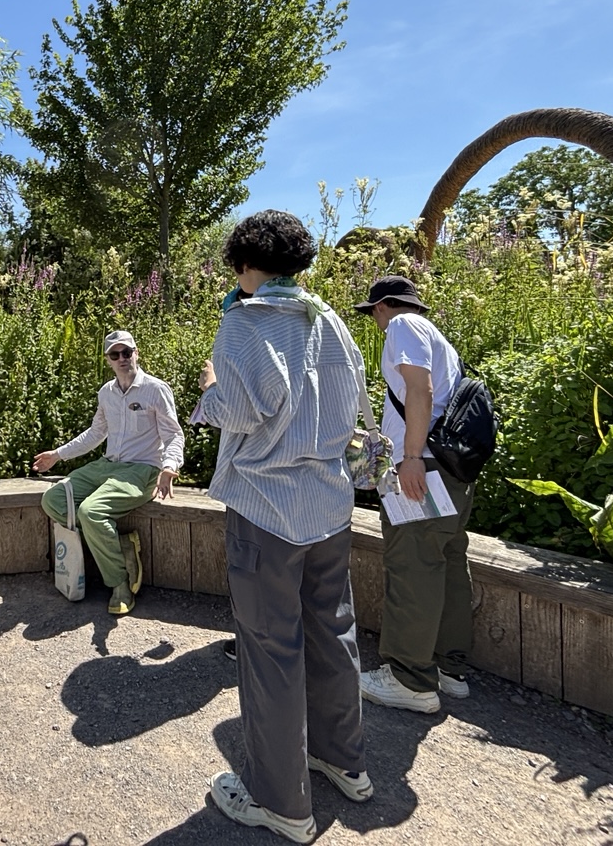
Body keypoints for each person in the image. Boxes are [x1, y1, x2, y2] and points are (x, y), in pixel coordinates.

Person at [197, 211, 372, 843]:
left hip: (266, 508)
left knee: (270, 649)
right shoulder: (330, 321)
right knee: (333, 630)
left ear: (246, 264)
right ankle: (342, 760)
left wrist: (209, 387)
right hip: (329, 505)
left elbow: (240, 411)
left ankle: (281, 803)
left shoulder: (244, 323)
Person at [354, 274, 472, 713]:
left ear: (382, 306)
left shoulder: (403, 326)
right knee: (447, 562)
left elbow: (419, 390)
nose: (376, 322)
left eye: (373, 314)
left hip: (423, 467)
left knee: (412, 565)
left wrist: (410, 457)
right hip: (450, 469)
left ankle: (410, 679)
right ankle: (449, 668)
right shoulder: (437, 336)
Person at [34, 330, 184, 616]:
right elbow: (96, 433)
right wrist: (58, 455)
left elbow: (174, 434)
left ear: (136, 353)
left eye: (127, 352)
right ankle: (121, 546)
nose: (122, 358)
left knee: (90, 512)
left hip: (142, 469)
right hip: (107, 465)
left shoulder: (155, 389)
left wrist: (169, 466)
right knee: (52, 500)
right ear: (108, 360)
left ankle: (119, 583)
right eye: (115, 354)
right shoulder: (107, 392)